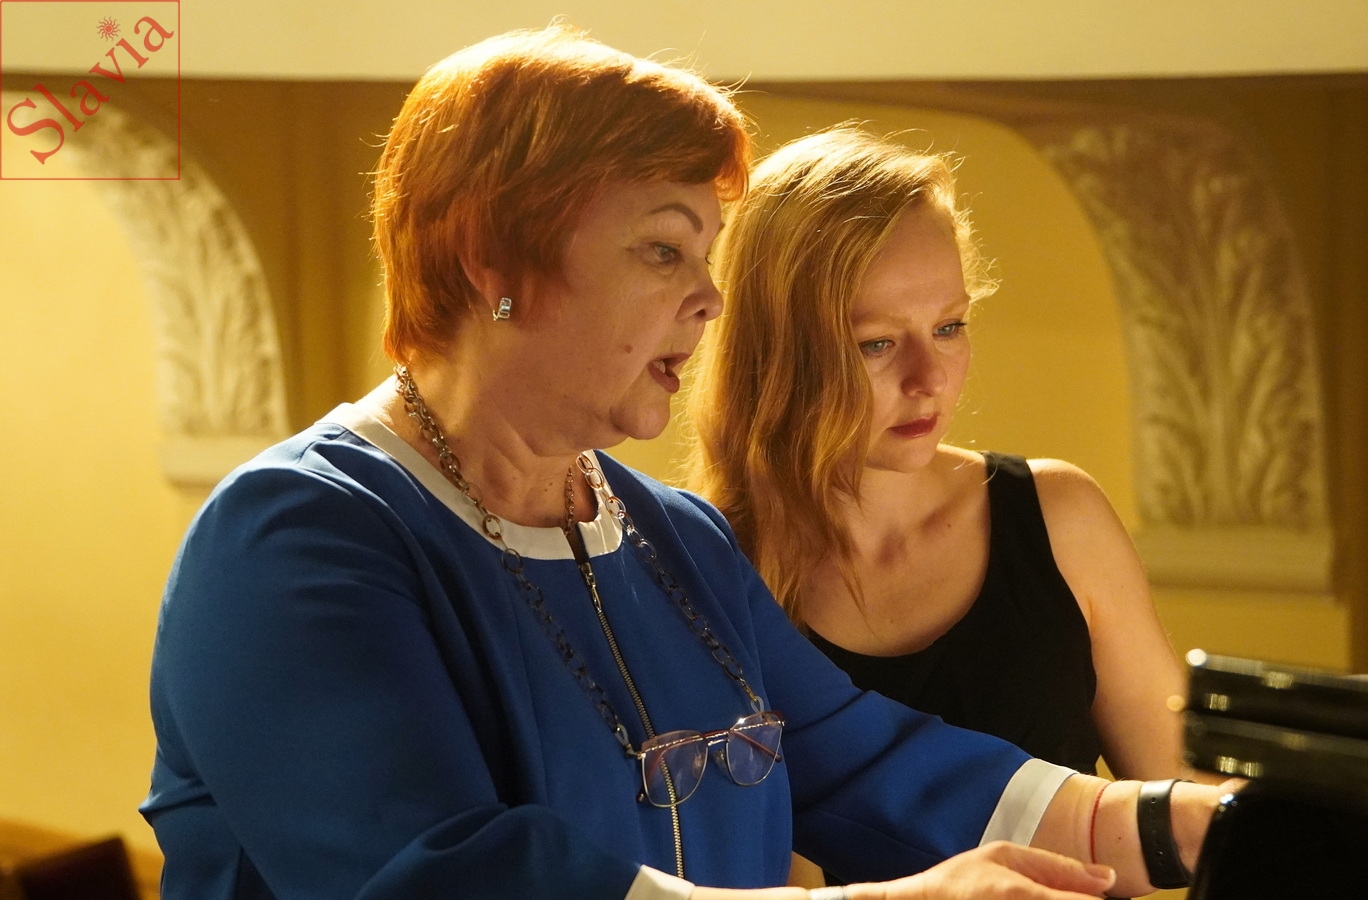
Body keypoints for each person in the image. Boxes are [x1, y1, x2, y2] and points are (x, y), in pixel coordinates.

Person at [141, 28, 1230, 900]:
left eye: (706, 254)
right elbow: (451, 878)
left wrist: (1224, 822)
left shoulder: (674, 537)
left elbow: (883, 769)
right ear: (491, 264)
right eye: (663, 248)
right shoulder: (293, 541)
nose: (708, 298)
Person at [689, 127, 1194, 785]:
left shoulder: (1060, 517)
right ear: (778, 351)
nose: (930, 379)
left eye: (948, 327)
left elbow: (1183, 804)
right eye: (877, 343)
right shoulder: (703, 568)